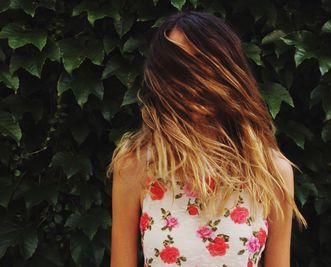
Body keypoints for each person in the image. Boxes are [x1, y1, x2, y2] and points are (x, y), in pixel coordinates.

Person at [107, 10, 308, 267]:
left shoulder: (271, 171)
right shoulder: (136, 165)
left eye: (203, 66)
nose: (192, 81)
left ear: (228, 73)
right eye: (177, 69)